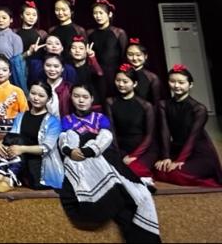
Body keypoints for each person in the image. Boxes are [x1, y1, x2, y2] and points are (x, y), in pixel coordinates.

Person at [58, 84, 161, 243]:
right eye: (76, 96)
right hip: (78, 160)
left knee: (134, 194)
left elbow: (106, 136)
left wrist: (90, 150)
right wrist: (69, 151)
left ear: (92, 99)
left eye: (85, 97)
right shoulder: (67, 120)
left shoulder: (100, 118)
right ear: (71, 98)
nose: (81, 100)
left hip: (102, 155)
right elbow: (63, 139)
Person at [154, 65, 222, 187]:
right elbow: (165, 132)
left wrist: (180, 160)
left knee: (175, 173)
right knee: (158, 168)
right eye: (172, 81)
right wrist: (166, 157)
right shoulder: (163, 105)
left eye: (181, 82)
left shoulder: (199, 109)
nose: (176, 85)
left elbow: (192, 138)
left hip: (198, 151)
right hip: (176, 148)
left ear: (190, 85)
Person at [0, 81, 64, 192]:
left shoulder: (53, 121)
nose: (36, 98)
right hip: (20, 159)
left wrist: (22, 149)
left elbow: (46, 148)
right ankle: (1, 177)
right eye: (33, 93)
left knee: (19, 140)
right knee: (14, 139)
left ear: (48, 99)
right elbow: (11, 138)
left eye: (41, 96)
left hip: (40, 165)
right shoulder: (21, 116)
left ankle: (8, 179)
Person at [105, 64, 157, 179]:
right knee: (112, 171)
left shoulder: (146, 106)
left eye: (125, 81)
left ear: (134, 83)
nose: (121, 84)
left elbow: (149, 135)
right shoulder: (110, 102)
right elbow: (111, 130)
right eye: (118, 80)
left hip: (143, 149)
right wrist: (119, 154)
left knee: (133, 171)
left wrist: (134, 155)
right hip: (121, 147)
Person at [0, 55, 30, 139]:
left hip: (12, 133)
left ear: (10, 73)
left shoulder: (18, 91)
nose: (0, 73)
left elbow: (24, 114)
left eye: (4, 70)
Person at [124, 38, 163, 106]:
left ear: (145, 56)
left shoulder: (152, 77)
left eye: (138, 55)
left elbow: (156, 103)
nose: (134, 58)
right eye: (130, 54)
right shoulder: (121, 74)